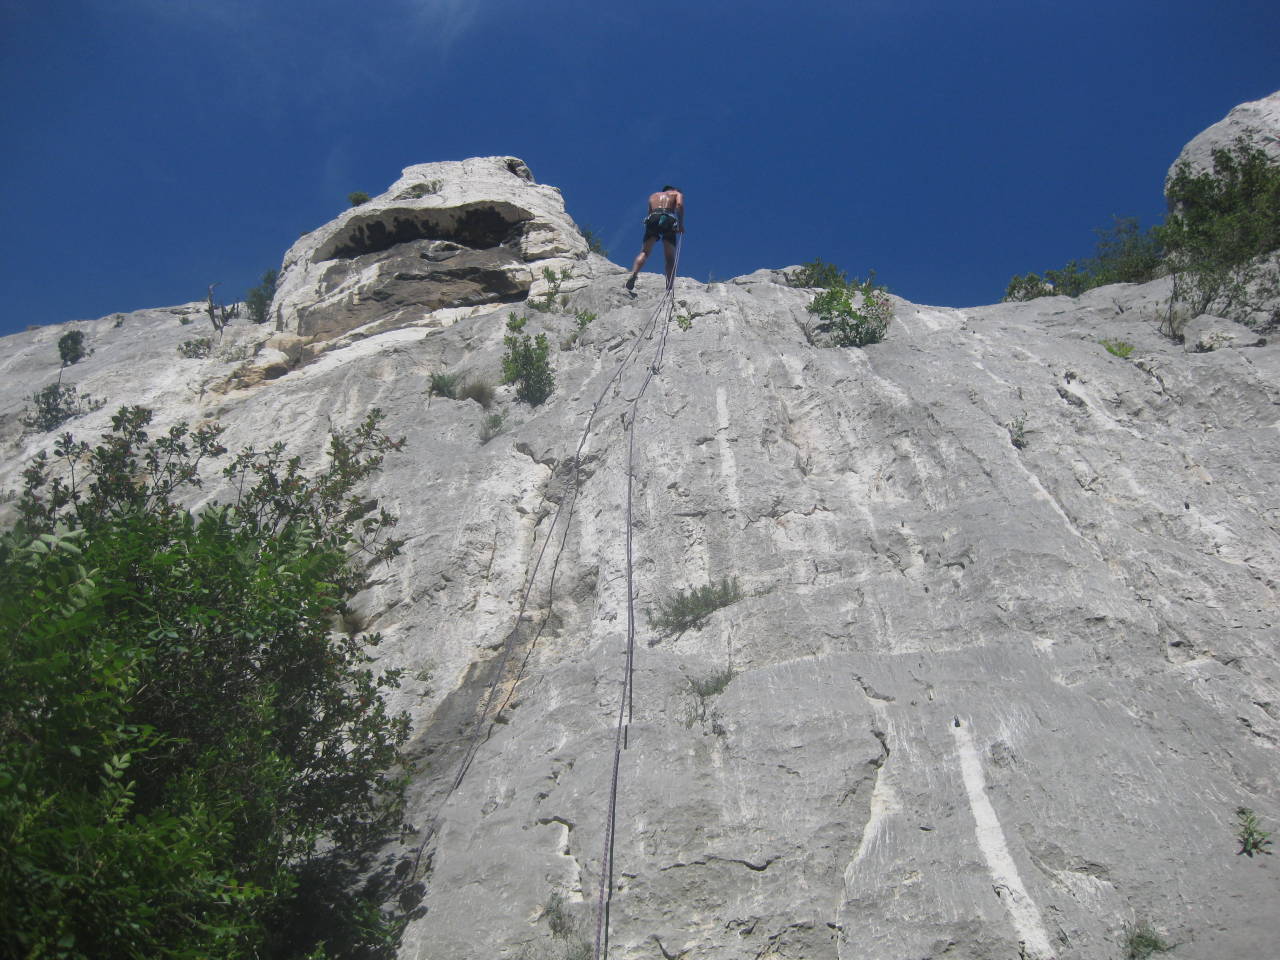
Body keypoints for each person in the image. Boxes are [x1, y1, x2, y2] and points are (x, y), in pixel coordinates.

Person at [626, 185, 684, 291]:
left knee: (645, 252)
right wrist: (680, 225)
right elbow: (679, 205)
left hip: (652, 218)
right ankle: (669, 286)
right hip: (668, 219)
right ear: (673, 190)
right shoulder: (676, 194)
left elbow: (649, 213)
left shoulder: (653, 196)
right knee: (670, 257)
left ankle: (634, 273)